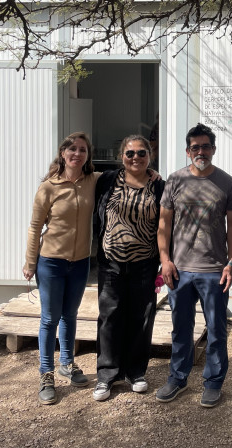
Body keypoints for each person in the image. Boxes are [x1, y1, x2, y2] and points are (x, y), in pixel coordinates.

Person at [155, 123, 232, 408]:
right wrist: (165, 261)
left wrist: (230, 263)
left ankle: (214, 382)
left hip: (214, 270)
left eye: (206, 146)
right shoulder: (175, 180)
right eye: (195, 147)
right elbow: (164, 224)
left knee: (216, 330)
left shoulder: (227, 183)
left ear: (213, 149)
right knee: (180, 328)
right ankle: (177, 378)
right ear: (187, 151)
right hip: (179, 269)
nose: (200, 152)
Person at [23, 132, 97, 405]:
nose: (77, 154)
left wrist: (151, 172)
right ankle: (46, 373)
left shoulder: (93, 181)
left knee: (70, 314)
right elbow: (34, 228)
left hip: (80, 263)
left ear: (87, 155)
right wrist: (31, 262)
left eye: (83, 150)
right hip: (51, 261)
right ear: (63, 153)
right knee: (49, 318)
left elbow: (126, 175)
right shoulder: (49, 187)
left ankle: (67, 362)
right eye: (73, 149)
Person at [92, 135, 164, 402]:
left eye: (141, 153)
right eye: (130, 153)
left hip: (144, 263)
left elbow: (165, 225)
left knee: (141, 318)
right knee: (110, 317)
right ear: (122, 156)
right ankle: (106, 375)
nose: (136, 158)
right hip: (111, 262)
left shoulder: (159, 186)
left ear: (150, 156)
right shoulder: (107, 180)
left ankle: (135, 372)